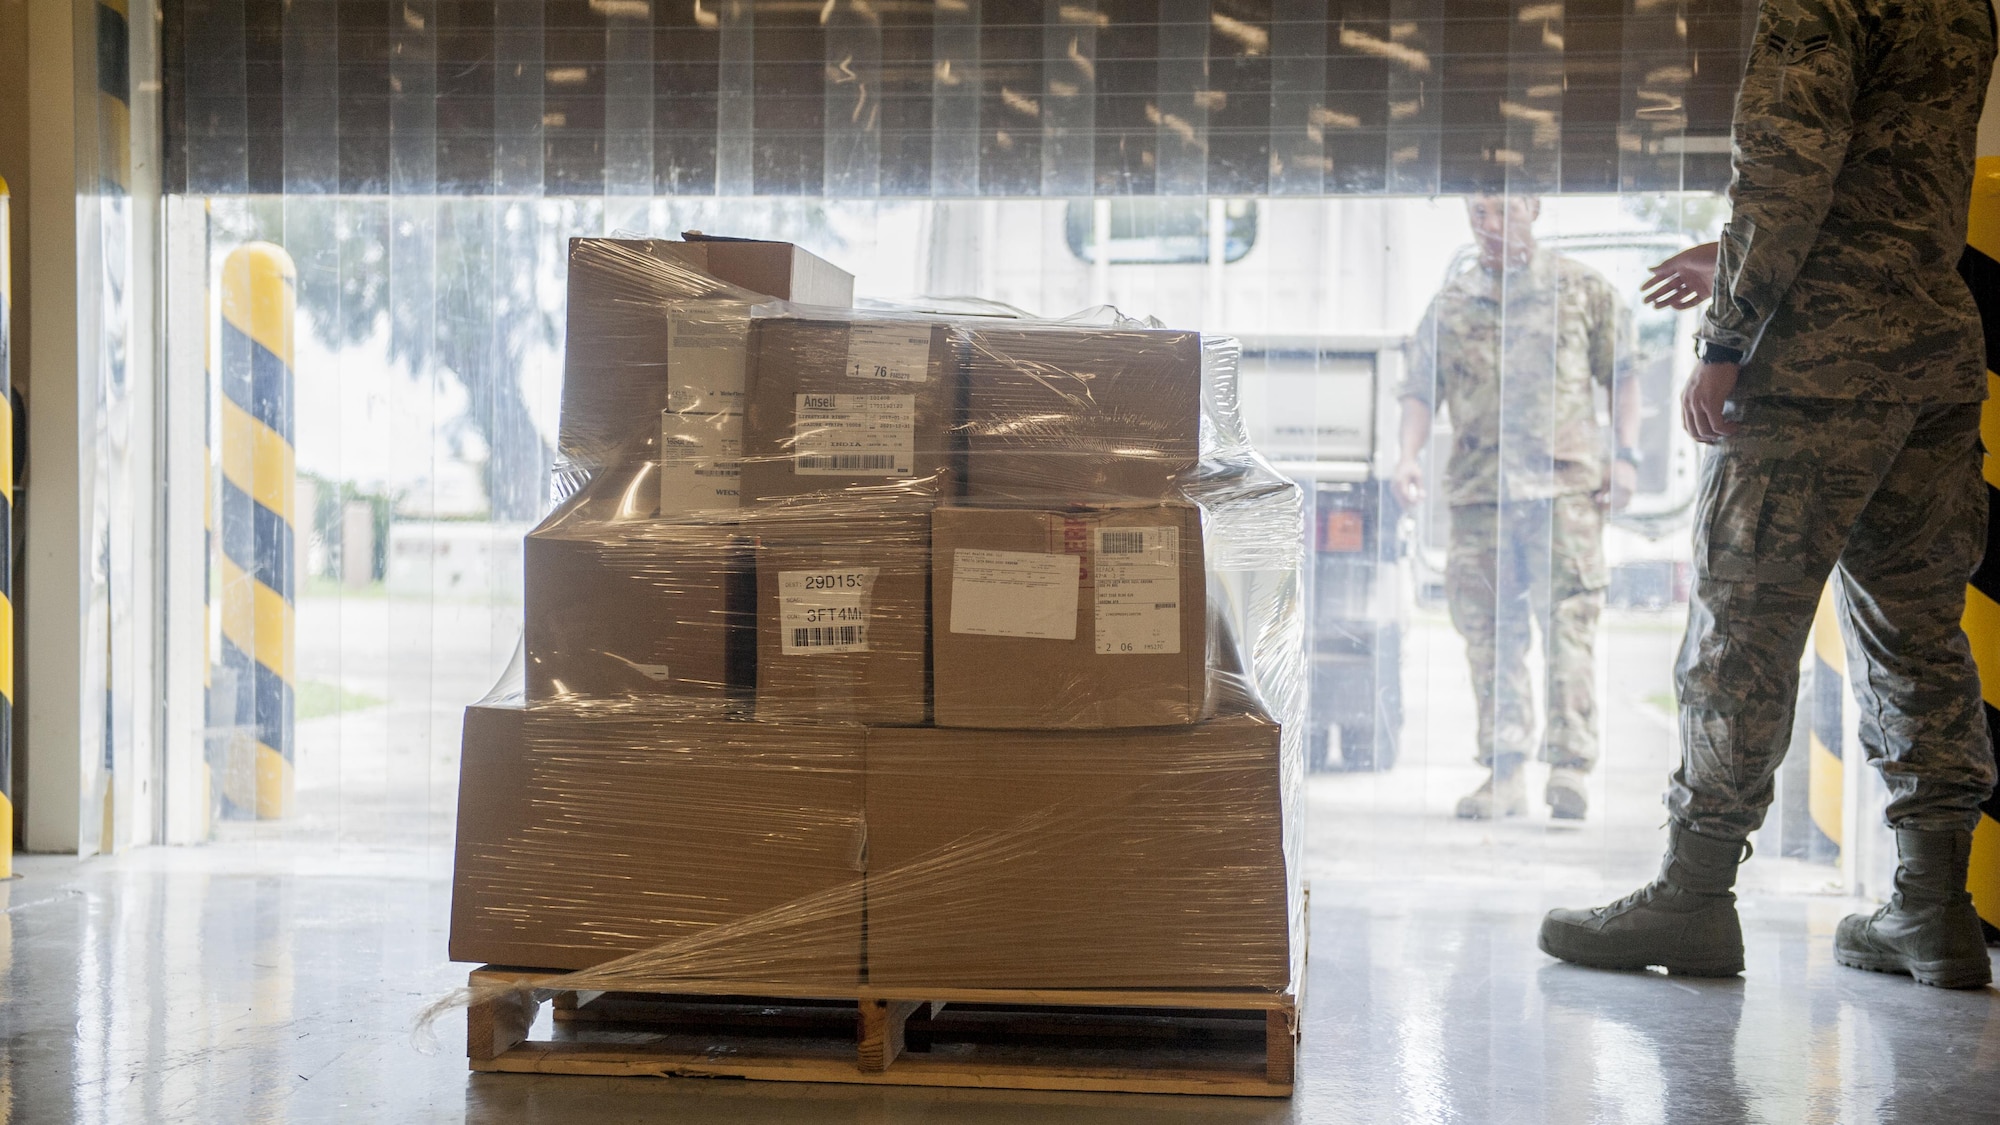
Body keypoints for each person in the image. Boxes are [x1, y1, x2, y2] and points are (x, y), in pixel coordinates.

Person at [1541, 0, 1998, 988]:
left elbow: (1785, 169)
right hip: (1928, 357)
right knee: (1918, 634)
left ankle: (1692, 896)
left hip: (1813, 369)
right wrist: (1739, 257)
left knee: (1739, 635)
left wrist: (1723, 340)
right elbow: (1891, 184)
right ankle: (1931, 908)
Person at [1395, 195, 1641, 822]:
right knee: (1488, 633)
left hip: (1565, 491)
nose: (1492, 226)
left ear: (1534, 205)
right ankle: (1503, 773)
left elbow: (1624, 376)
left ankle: (1569, 768)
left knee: (1568, 626)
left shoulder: (1582, 290)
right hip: (1483, 494)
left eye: (1504, 211)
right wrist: (1409, 455)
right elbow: (1420, 389)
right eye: (1479, 214)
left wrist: (1626, 457)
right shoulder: (1452, 304)